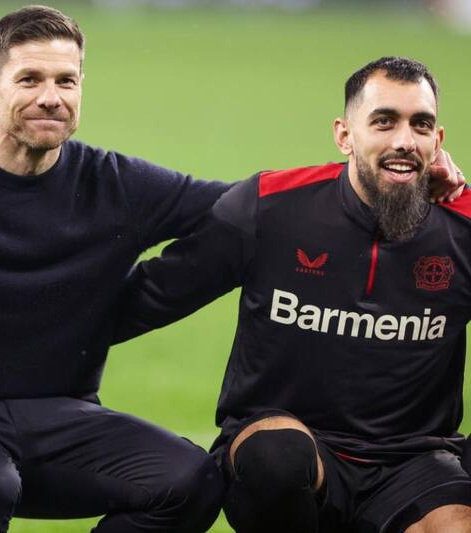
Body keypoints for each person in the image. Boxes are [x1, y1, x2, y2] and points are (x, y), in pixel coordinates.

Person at [0, 5, 231, 532]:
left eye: (66, 80)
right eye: (29, 79)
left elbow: (243, 207)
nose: (50, 97)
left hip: (62, 419)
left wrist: (344, 182)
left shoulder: (116, 184)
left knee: (191, 479)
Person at [114, 56, 471, 533]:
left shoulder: (463, 229)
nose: (403, 140)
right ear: (345, 134)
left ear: (437, 140)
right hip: (287, 445)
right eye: (384, 122)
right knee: (277, 458)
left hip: (413, 460)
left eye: (420, 125)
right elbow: (148, 297)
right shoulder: (270, 206)